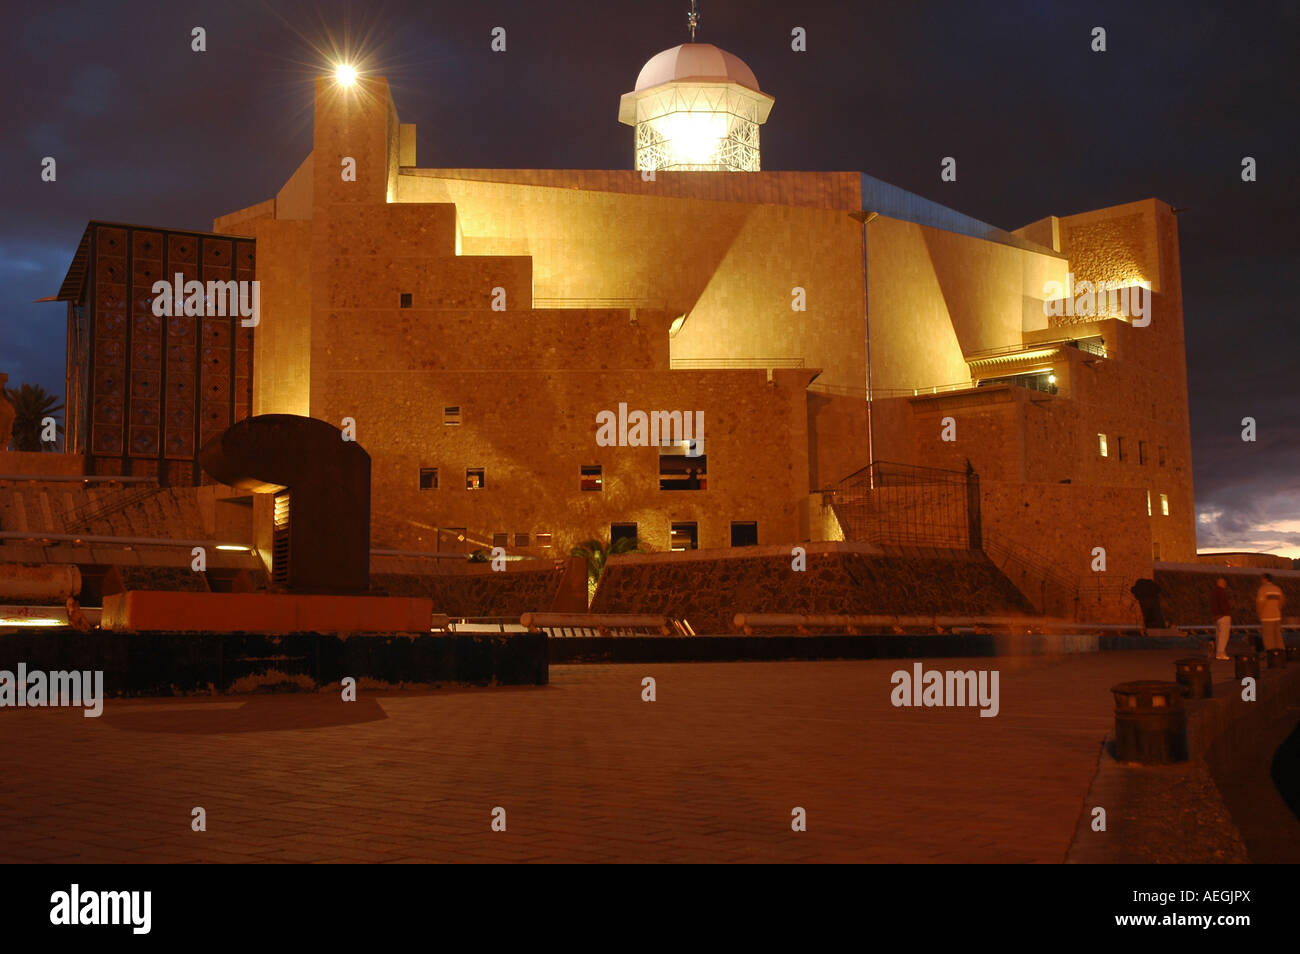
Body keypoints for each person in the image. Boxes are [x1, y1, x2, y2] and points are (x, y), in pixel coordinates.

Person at [1256, 573, 1285, 652]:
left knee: (1268, 638)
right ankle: (1280, 655)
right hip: (1277, 616)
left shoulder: (1263, 589)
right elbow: (1281, 602)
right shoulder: (1277, 589)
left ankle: (1271, 656)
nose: (1261, 580)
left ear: (1265, 579)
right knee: (1278, 637)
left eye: (1262, 579)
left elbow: (1260, 603)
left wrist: (1259, 614)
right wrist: (1277, 609)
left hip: (1267, 617)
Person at [1211, 578, 1231, 660]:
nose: (1225, 584)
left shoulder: (1214, 592)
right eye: (1224, 583)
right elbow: (1223, 604)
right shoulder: (1221, 592)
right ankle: (1221, 653)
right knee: (1224, 635)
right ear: (1222, 583)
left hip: (1217, 616)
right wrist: (1225, 612)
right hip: (1224, 616)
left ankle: (1218, 653)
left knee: (1219, 635)